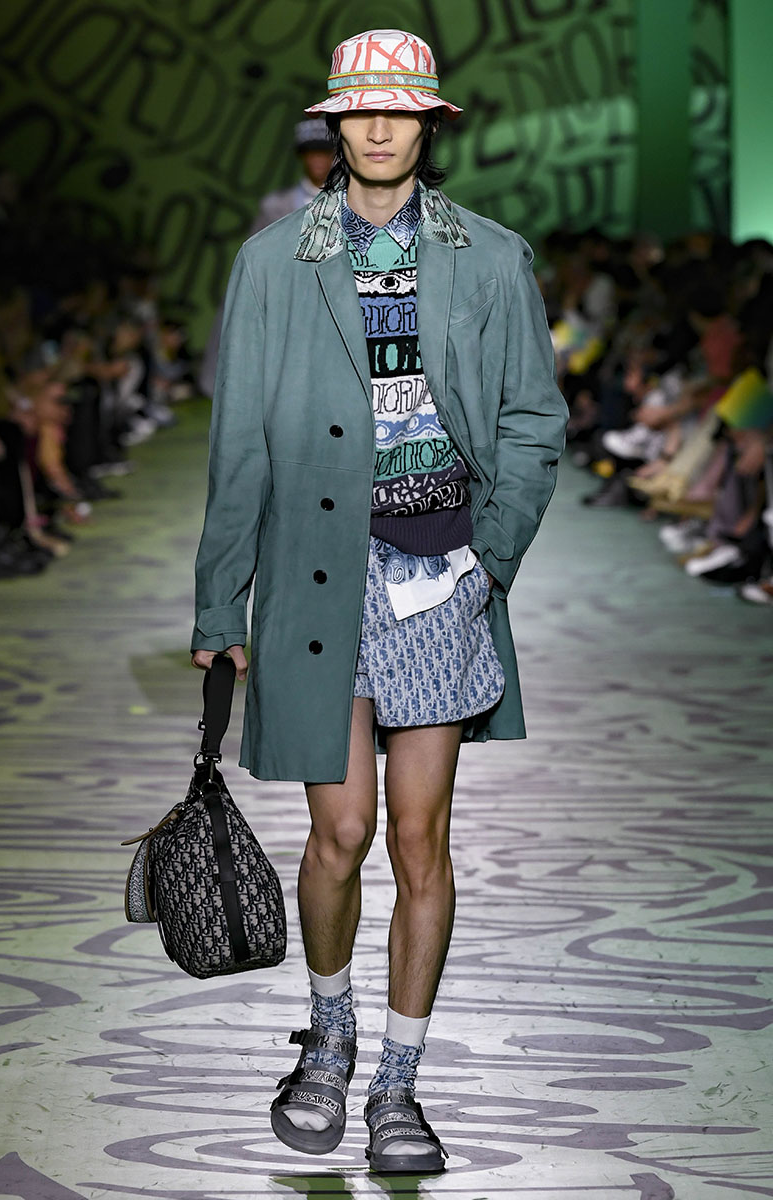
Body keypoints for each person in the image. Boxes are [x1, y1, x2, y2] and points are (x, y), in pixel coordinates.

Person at [191, 28, 567, 1174]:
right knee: (338, 832)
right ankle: (329, 1038)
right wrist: (218, 607)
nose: (379, 127)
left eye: (400, 110)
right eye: (360, 110)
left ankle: (398, 1085)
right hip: (317, 573)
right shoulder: (274, 263)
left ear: (430, 123)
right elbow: (238, 442)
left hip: (439, 574)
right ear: (335, 123)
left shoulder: (489, 259)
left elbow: (531, 417)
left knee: (417, 839)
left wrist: (489, 557)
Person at [198, 117, 334, 397]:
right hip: (288, 304)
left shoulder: (352, 202)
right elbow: (254, 261)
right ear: (301, 156)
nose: (318, 160)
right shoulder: (275, 207)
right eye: (311, 152)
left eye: (324, 152)